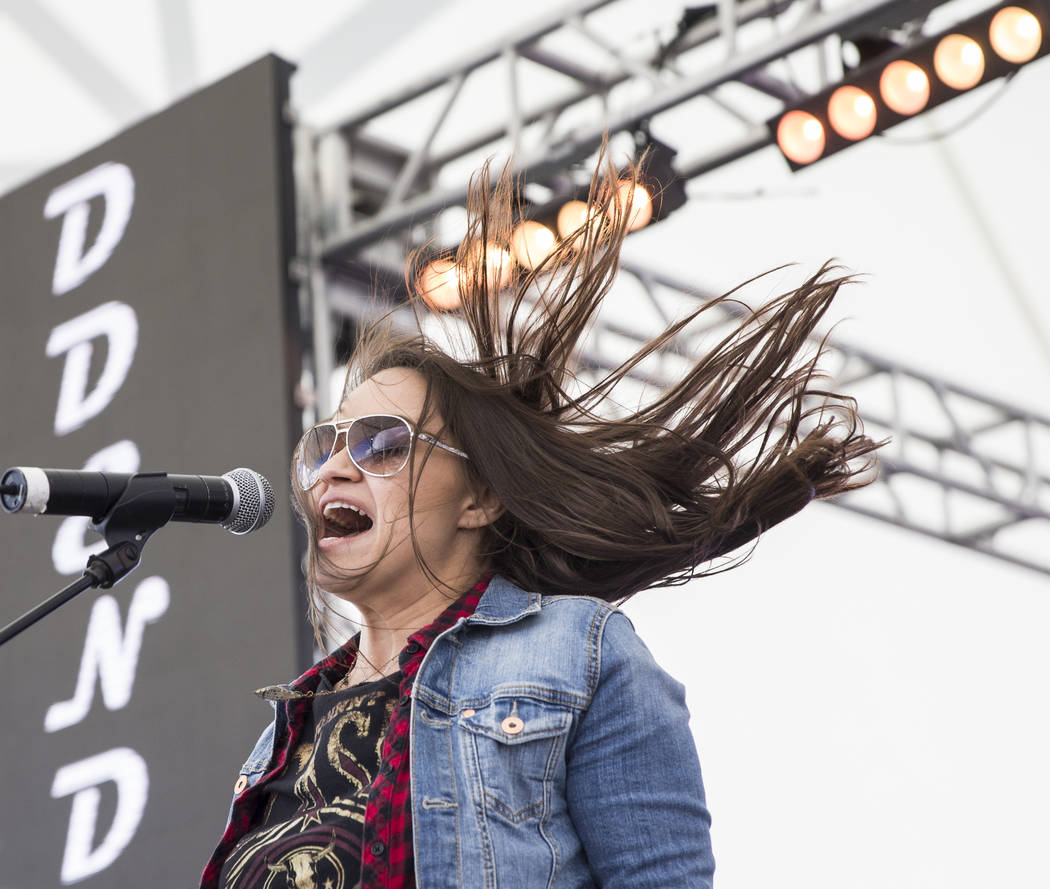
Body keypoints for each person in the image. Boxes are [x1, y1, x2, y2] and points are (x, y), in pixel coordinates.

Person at [199, 153, 881, 889]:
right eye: (324, 446)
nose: (333, 468)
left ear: (479, 498)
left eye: (382, 445)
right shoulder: (279, 739)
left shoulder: (577, 656)